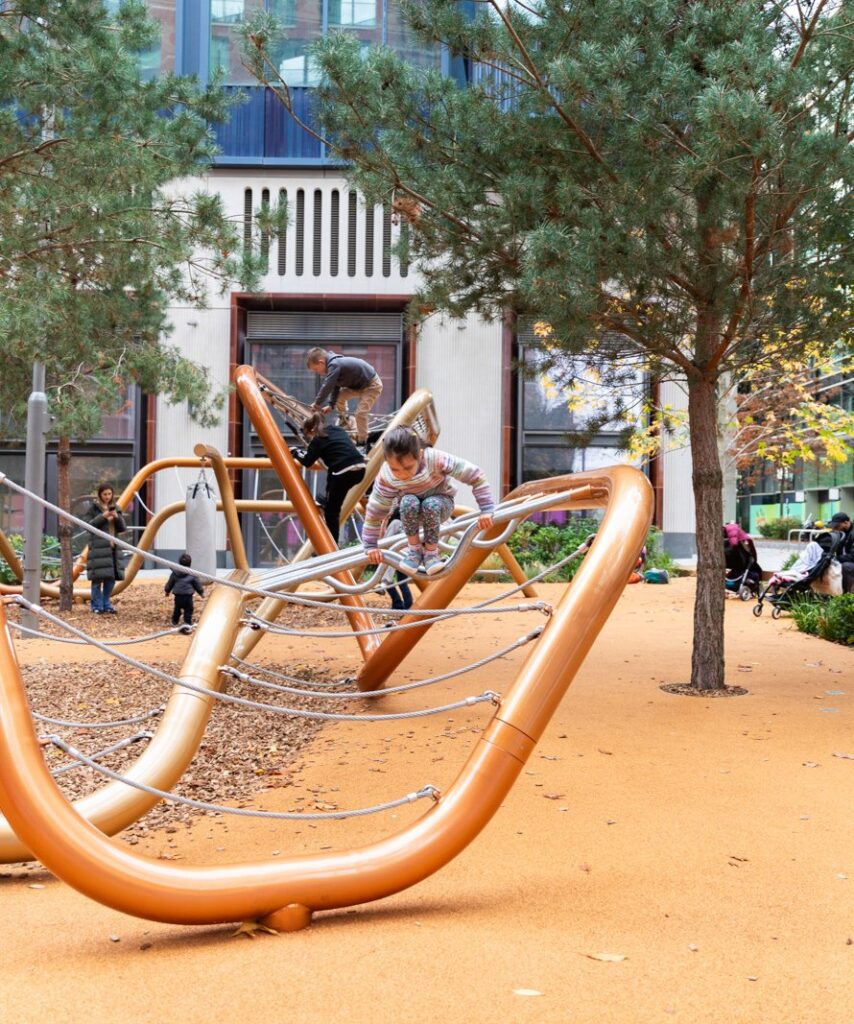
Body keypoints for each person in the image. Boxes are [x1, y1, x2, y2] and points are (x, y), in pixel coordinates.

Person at [362, 426, 495, 575]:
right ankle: (414, 551)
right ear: (387, 462)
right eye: (396, 469)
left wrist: (486, 509)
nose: (403, 474)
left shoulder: (435, 459)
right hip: (412, 512)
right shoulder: (387, 476)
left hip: (441, 504)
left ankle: (431, 553)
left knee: (430, 504)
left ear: (419, 455)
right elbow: (375, 511)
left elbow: (476, 476)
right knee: (408, 501)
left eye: (408, 467)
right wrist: (371, 546)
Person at [291, 411, 367, 544]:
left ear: (310, 430)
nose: (307, 437)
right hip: (360, 469)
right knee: (333, 484)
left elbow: (308, 461)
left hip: (343, 472)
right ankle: (327, 501)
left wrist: (295, 452)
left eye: (306, 434)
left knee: (332, 512)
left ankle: (333, 544)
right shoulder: (337, 429)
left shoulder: (317, 440)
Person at [305, 347, 383, 446]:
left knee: (360, 413)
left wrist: (317, 403)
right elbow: (335, 387)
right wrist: (331, 405)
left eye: (316, 369)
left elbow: (327, 385)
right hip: (357, 386)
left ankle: (362, 441)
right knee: (339, 398)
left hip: (371, 385)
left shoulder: (334, 364)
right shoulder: (333, 367)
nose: (317, 372)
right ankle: (344, 418)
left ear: (321, 362)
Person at [83, 483, 126, 614]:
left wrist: (117, 517)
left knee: (111, 579)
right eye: (104, 494)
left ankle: (106, 604)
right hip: (99, 548)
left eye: (109, 494)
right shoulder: (93, 509)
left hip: (113, 548)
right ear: (100, 495)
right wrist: (103, 516)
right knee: (97, 579)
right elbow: (88, 525)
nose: (107, 497)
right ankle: (96, 605)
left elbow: (123, 528)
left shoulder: (116, 508)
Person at [164, 552, 204, 628]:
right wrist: (201, 593)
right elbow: (197, 584)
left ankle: (174, 621)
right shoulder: (192, 574)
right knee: (188, 610)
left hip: (178, 596)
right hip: (188, 597)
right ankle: (187, 623)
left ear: (179, 563)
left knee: (177, 609)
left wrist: (167, 591)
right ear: (190, 563)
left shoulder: (175, 573)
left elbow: (170, 583)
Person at [827, 512, 854, 593]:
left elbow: (853, 556)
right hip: (848, 560)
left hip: (851, 562)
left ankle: (847, 594)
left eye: (837, 525)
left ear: (846, 523)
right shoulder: (843, 533)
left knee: (846, 567)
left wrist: (836, 559)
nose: (835, 528)